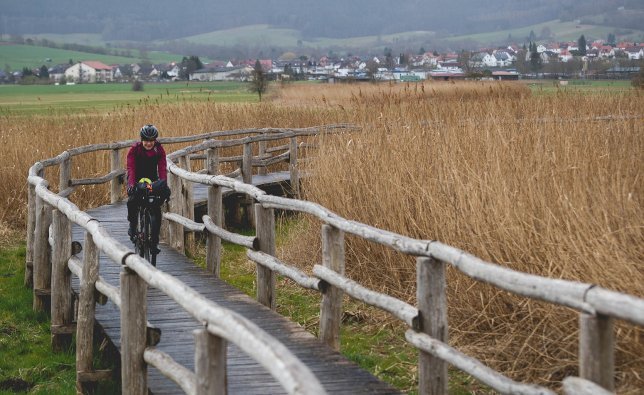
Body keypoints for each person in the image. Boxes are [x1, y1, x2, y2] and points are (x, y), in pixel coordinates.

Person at [126, 124, 170, 253]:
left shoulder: (159, 150)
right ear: (141, 139)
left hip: (151, 181)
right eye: (146, 140)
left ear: (155, 140)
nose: (149, 143)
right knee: (132, 201)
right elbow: (131, 168)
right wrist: (131, 185)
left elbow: (162, 168)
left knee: (156, 208)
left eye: (152, 141)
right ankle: (133, 226)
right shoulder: (134, 150)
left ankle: (154, 242)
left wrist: (163, 184)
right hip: (136, 179)